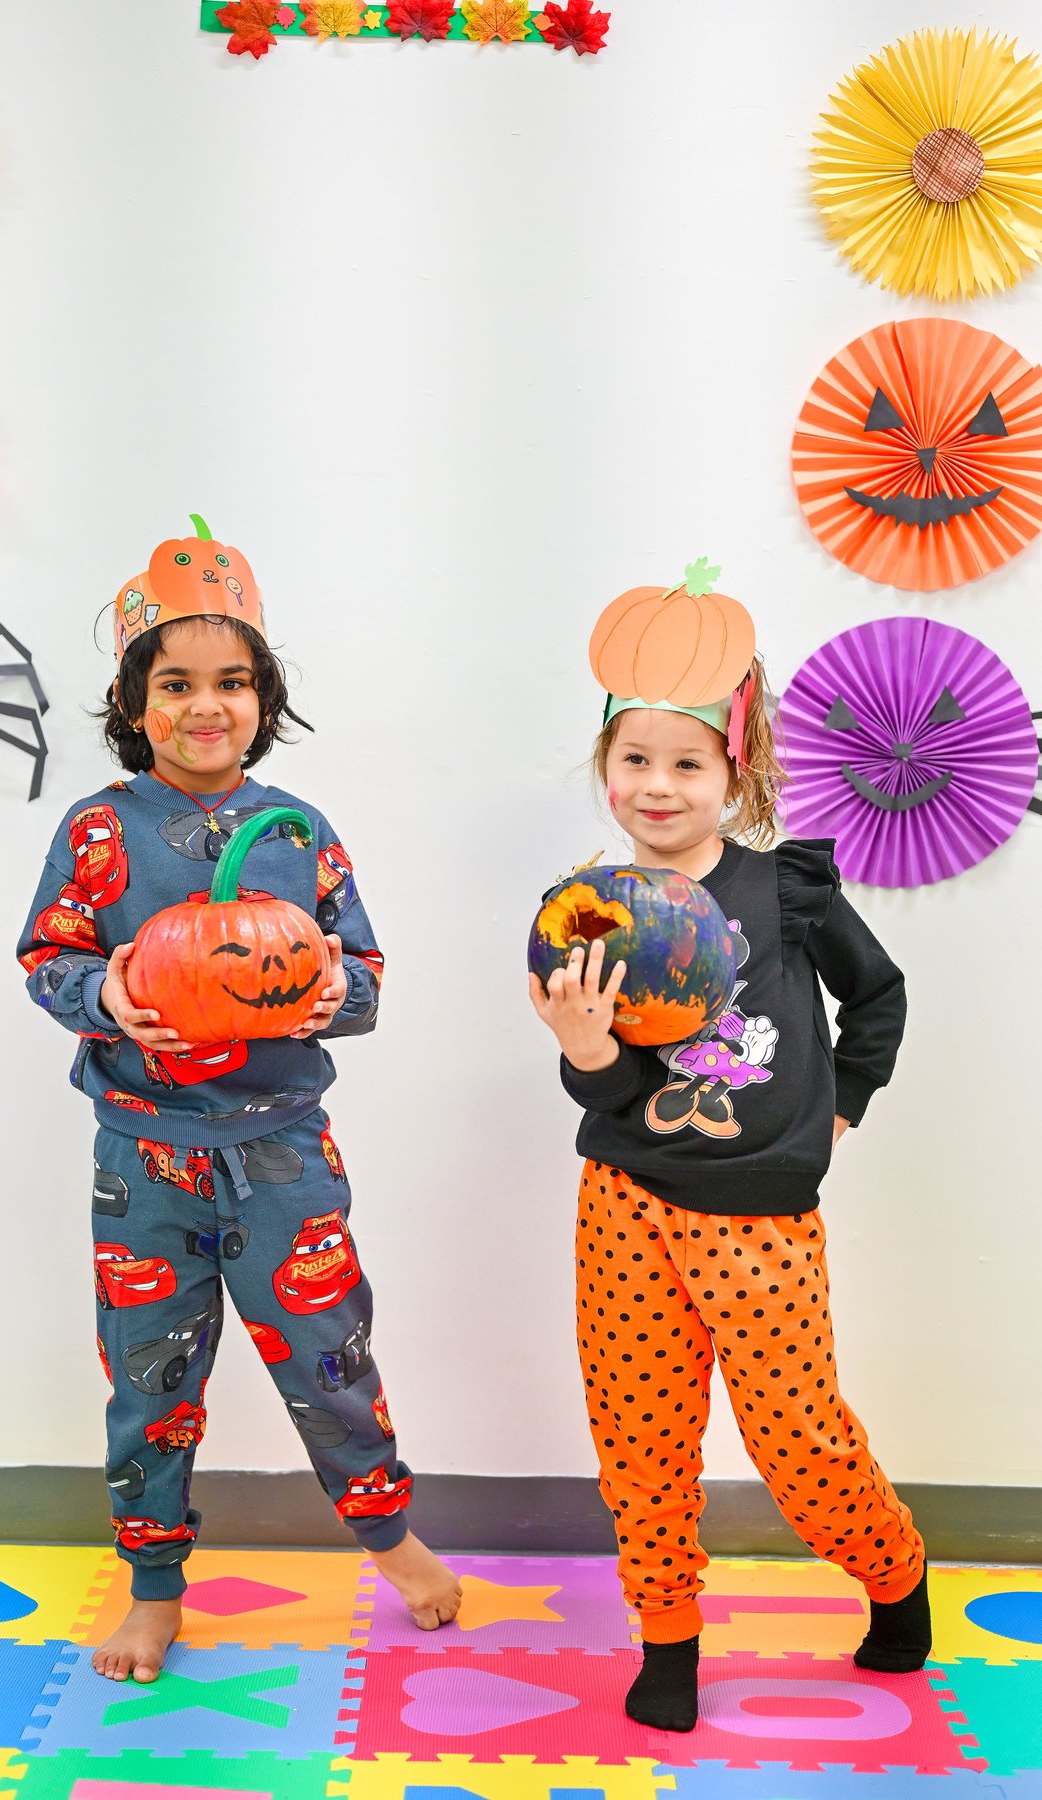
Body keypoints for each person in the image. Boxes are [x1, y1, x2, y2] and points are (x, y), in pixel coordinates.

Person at [18, 520, 460, 1683]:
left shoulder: (297, 835)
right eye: (174, 683)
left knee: (332, 1358)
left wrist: (323, 993)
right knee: (148, 1387)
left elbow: (365, 979)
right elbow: (46, 963)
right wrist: (107, 988)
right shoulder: (101, 831)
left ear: (264, 698)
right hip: (143, 1165)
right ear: (133, 701)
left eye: (232, 682)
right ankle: (153, 1588)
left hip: (282, 1159)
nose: (205, 706)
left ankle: (389, 1536)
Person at [529, 565, 929, 1732]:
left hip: (760, 1219)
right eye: (635, 760)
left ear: (735, 772)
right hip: (627, 1207)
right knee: (641, 1441)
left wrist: (843, 1103)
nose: (658, 785)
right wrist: (582, 1042)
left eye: (686, 762)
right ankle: (667, 1638)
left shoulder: (785, 890)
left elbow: (880, 997)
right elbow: (602, 1085)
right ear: (605, 766)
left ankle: (896, 1573)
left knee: (800, 1440)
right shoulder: (585, 910)